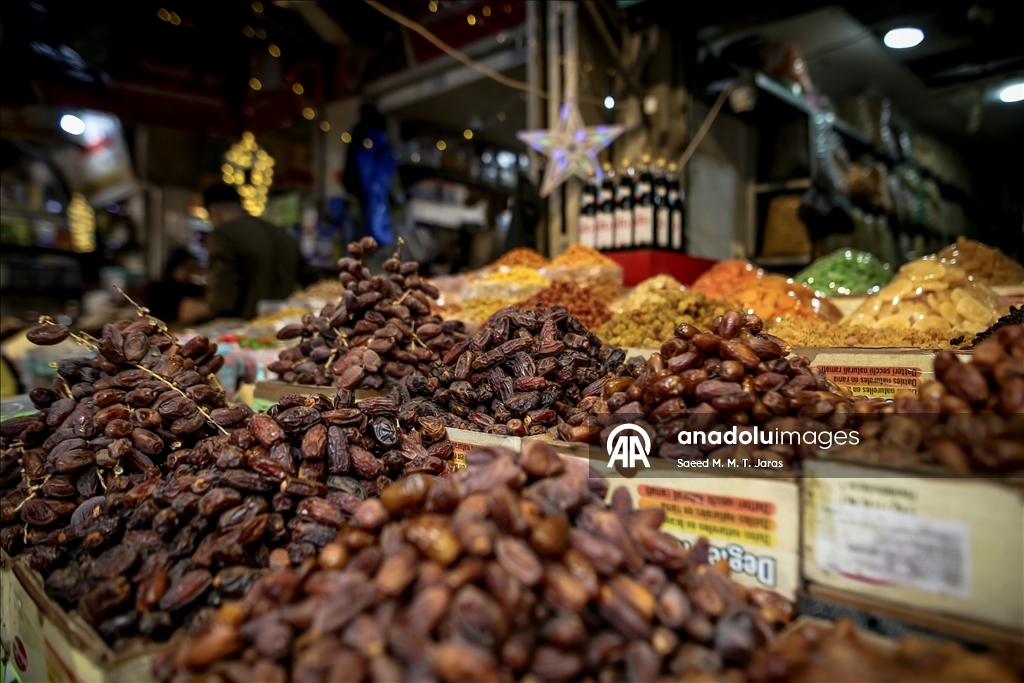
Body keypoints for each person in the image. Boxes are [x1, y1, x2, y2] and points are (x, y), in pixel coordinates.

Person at [178, 184, 306, 324]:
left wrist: (199, 309)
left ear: (214, 212)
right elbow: (310, 279)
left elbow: (223, 300)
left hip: (245, 331)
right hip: (285, 326)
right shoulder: (281, 233)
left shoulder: (223, 233)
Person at [146, 247, 205, 323]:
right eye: (185, 267)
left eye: (192, 268)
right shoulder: (157, 289)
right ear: (174, 267)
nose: (189, 272)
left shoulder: (194, 289)